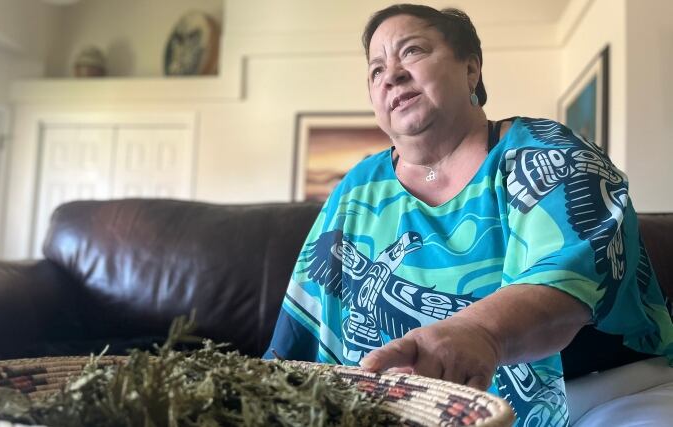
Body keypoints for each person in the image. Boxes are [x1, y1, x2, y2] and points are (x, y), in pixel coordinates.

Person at [264, 4, 673, 426]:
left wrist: (479, 333)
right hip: (427, 414)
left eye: (412, 52)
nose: (391, 75)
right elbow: (300, 336)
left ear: (471, 70)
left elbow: (567, 278)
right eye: (375, 70)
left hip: (602, 394)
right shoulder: (357, 191)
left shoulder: (547, 153)